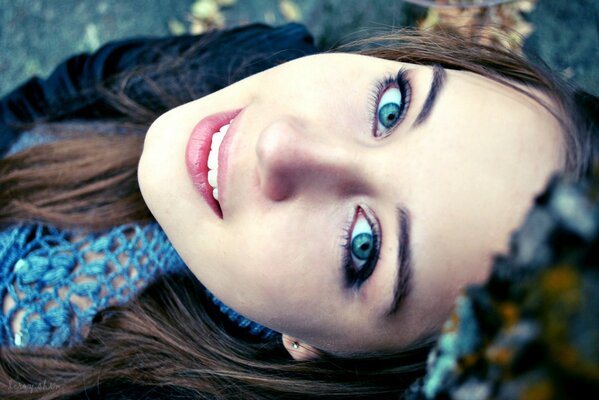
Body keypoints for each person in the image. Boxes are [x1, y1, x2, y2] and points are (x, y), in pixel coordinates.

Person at [0, 22, 597, 399]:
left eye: (363, 247)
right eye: (391, 108)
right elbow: (60, 93)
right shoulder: (249, 59)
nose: (280, 143)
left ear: (327, 353)